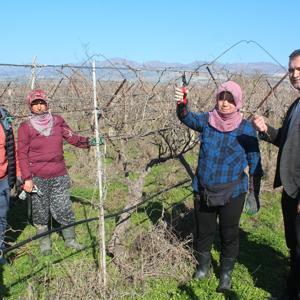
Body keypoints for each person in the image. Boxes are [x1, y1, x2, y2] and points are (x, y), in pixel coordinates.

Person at [175, 81, 263, 292]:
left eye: (230, 99)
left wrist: (253, 192)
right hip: (204, 189)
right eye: (222, 98)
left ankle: (225, 275)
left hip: (233, 192)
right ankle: (203, 268)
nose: (224, 104)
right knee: (204, 231)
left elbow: (255, 162)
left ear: (238, 102)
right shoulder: (207, 120)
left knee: (229, 233)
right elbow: (186, 117)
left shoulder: (246, 129)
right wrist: (182, 101)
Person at [18, 89, 97, 255]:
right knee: (40, 210)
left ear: (47, 104)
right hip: (37, 177)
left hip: (59, 174)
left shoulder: (58, 122)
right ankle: (44, 243)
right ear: (30, 107)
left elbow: (72, 138)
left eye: (42, 103)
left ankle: (70, 240)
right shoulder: (25, 127)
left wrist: (90, 142)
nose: (39, 107)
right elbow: (22, 154)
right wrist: (27, 178)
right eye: (35, 104)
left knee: (64, 207)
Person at [252, 49, 300, 300]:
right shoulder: (297, 104)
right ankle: (291, 290)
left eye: (299, 69)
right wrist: (265, 130)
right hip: (291, 188)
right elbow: (286, 139)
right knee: (294, 245)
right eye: (291, 69)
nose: (294, 74)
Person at [0, 106, 21, 264]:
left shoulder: (4, 121)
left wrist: (19, 173)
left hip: (4, 179)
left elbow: (12, 149)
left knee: (2, 216)